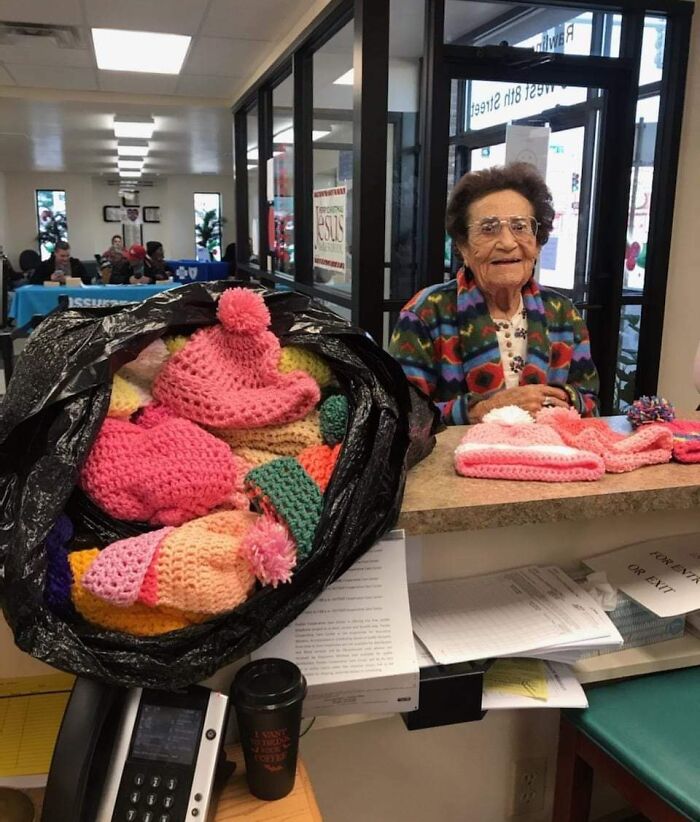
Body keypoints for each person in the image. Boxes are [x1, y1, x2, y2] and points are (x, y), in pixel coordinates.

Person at [388, 163, 599, 424]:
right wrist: (482, 409)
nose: (508, 243)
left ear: (537, 242)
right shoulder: (427, 313)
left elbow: (590, 401)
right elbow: (401, 413)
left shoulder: (563, 313)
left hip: (546, 459)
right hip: (457, 461)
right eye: (488, 229)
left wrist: (565, 400)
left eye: (520, 227)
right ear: (463, 247)